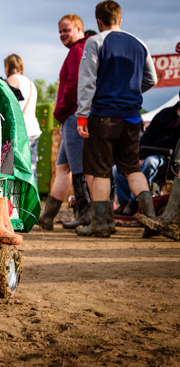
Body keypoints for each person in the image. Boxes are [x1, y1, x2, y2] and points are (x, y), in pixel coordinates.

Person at [75, 0, 158, 237]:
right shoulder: (140, 44)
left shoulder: (95, 42)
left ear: (99, 21)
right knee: (132, 168)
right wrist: (130, 92)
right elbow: (151, 79)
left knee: (100, 170)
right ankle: (151, 218)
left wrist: (82, 115)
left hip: (103, 116)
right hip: (132, 117)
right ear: (120, 20)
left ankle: (102, 224)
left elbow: (88, 81)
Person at [38, 14, 89, 231]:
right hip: (69, 116)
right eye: (60, 31)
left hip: (73, 115)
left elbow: (74, 86)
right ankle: (47, 216)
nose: (62, 35)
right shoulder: (75, 52)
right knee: (63, 166)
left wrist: (58, 111)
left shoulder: (78, 51)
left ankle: (86, 215)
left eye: (66, 30)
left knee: (77, 167)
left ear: (79, 29)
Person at [114, 95, 180, 216]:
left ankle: (135, 201)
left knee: (151, 162)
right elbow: (147, 137)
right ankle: (123, 203)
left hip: (169, 160)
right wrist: (140, 156)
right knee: (117, 168)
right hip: (149, 153)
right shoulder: (165, 114)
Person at [4, 54, 41, 183]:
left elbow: (8, 106)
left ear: (7, 66)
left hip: (21, 131)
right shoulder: (31, 83)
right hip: (34, 129)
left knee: (16, 167)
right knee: (31, 168)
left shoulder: (12, 80)